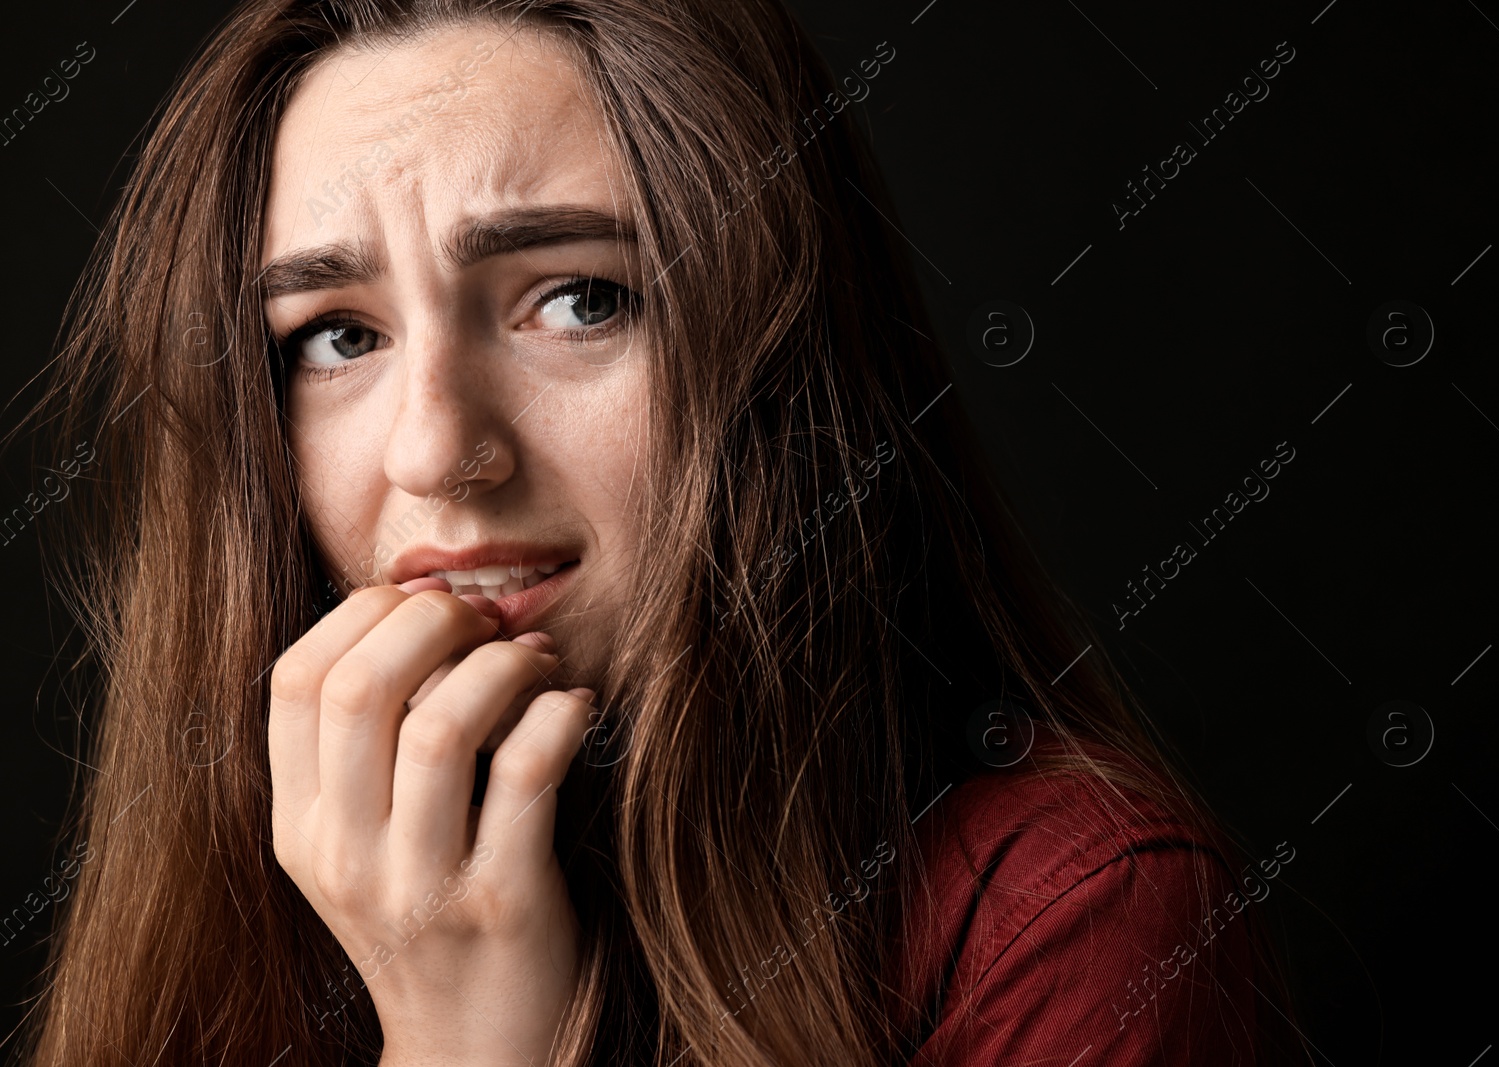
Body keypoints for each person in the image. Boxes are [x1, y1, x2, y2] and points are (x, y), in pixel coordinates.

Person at [19, 1, 1301, 1063]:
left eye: (577, 299)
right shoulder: (215, 941)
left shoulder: (1072, 923)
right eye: (339, 336)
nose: (435, 449)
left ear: (780, 355)